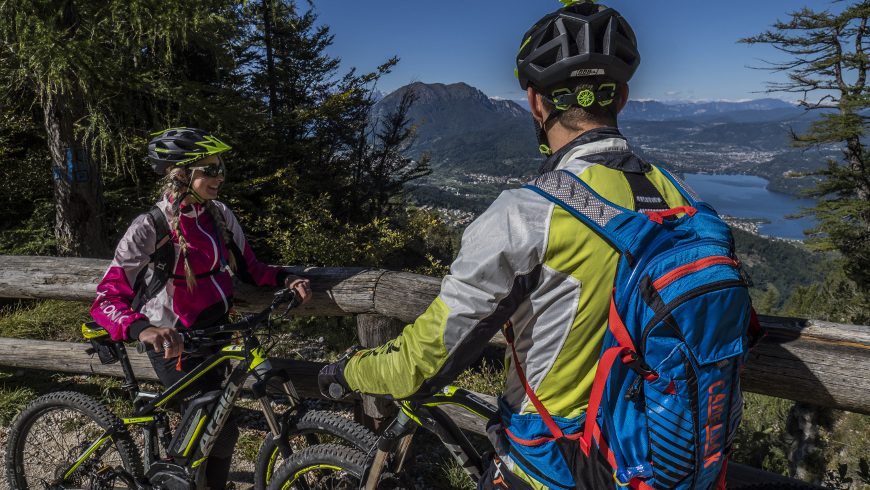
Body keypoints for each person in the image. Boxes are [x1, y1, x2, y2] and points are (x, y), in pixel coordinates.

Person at [317, 2, 720, 489]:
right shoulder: (688, 201)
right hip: (667, 458)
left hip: (555, 465)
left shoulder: (527, 214)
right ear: (625, 97)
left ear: (535, 103)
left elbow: (419, 366)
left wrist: (352, 369)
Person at [90, 127, 312, 489]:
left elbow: (252, 268)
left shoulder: (219, 216)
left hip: (217, 335)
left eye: (220, 166)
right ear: (181, 175)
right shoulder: (150, 226)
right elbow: (106, 298)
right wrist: (144, 330)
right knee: (214, 431)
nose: (219, 175)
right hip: (174, 343)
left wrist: (287, 278)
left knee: (216, 432)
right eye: (209, 169)